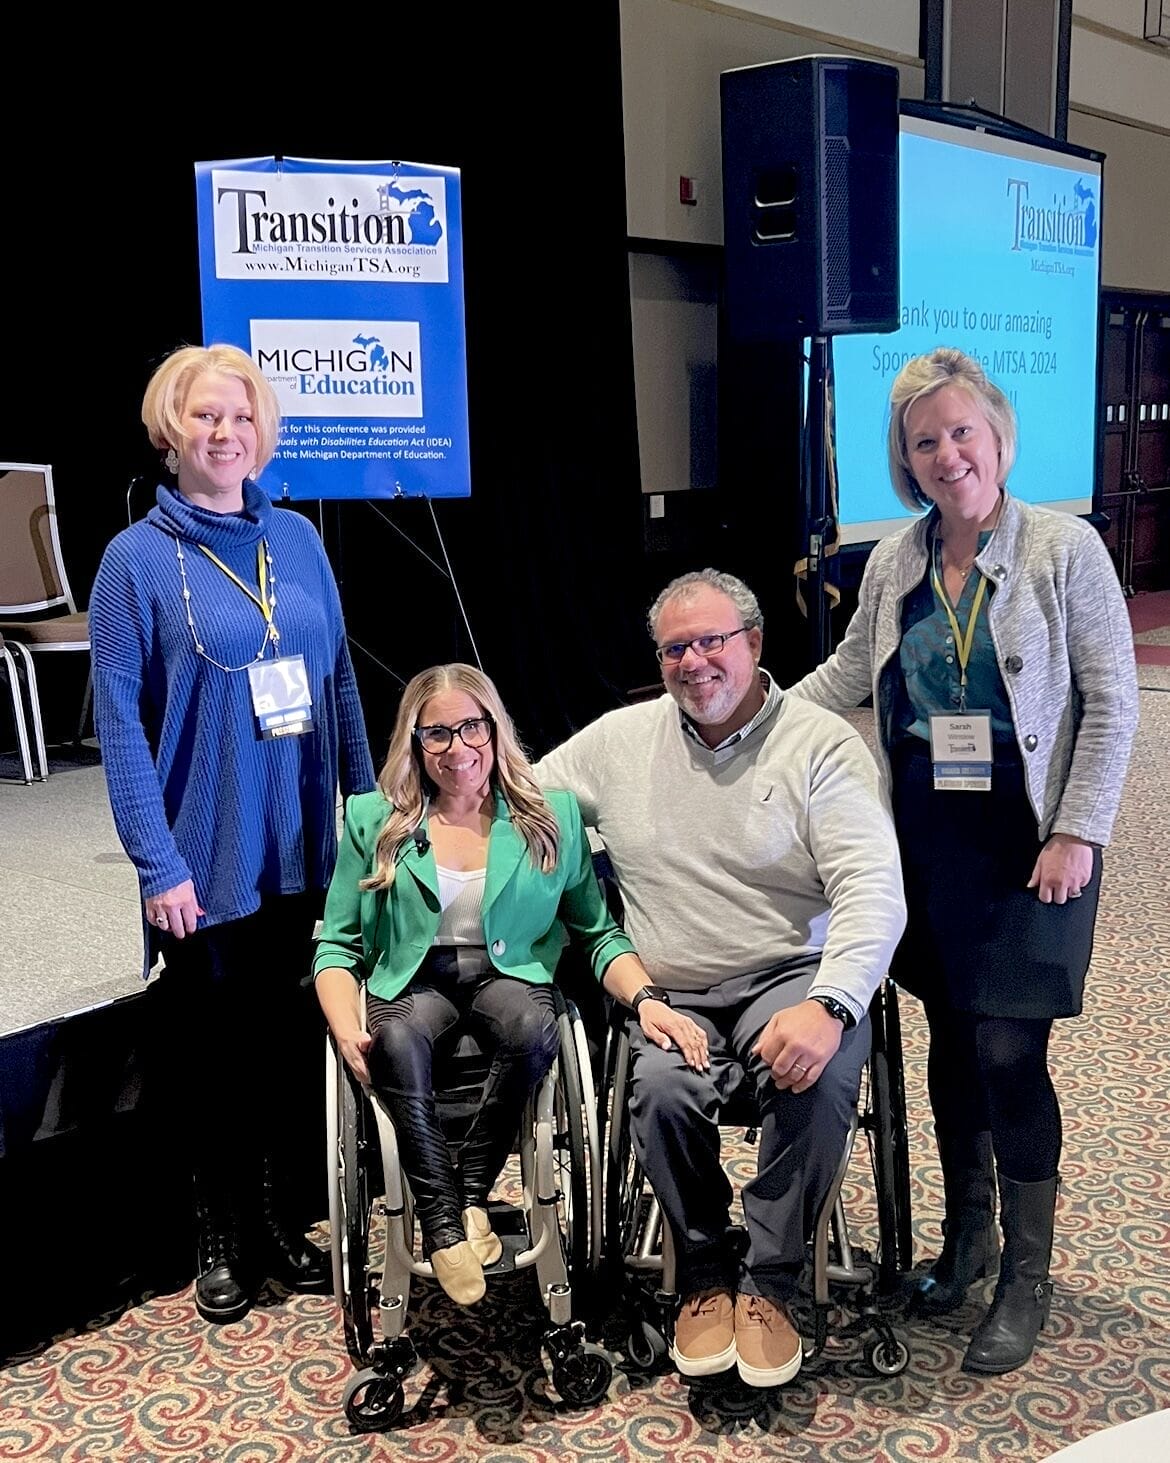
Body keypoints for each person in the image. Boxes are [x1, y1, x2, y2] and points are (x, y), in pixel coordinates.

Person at [787, 347, 1139, 1374]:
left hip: (1032, 845)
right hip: (929, 845)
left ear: (999, 436)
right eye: (924, 441)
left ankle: (1026, 1276)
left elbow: (1113, 702)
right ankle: (967, 1242)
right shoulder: (894, 561)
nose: (948, 454)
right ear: (906, 461)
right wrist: (749, 716)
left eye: (961, 432)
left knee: (1007, 1051)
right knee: (951, 1044)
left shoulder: (1065, 549)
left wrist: (1078, 830)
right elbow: (848, 673)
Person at [533, 571, 906, 1387]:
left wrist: (831, 1004)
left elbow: (873, 886)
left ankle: (771, 1279)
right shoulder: (619, 742)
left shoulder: (821, 743)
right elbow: (521, 801)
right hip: (675, 991)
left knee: (817, 1076)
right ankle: (703, 1269)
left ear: (755, 643)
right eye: (675, 648)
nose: (694, 662)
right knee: (661, 1091)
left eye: (712, 641)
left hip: (793, 973)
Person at [90, 344, 376, 1324]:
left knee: (284, 1037)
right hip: (202, 851)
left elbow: (338, 682)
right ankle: (218, 1227)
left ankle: (275, 1217)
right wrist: (155, 860)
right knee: (213, 1050)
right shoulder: (133, 561)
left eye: (242, 417)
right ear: (170, 433)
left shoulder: (297, 538)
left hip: (301, 840)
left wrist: (365, 811)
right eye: (206, 417)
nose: (226, 433)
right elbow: (118, 724)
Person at [313, 663, 706, 1307]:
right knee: (395, 1042)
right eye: (437, 734)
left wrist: (645, 999)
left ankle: (469, 1192)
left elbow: (596, 932)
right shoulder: (373, 819)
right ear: (415, 742)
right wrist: (344, 1025)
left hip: (508, 976)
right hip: (414, 981)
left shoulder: (550, 817)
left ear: (495, 729)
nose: (457, 749)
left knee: (534, 1025)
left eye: (472, 727)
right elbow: (336, 945)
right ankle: (444, 1223)